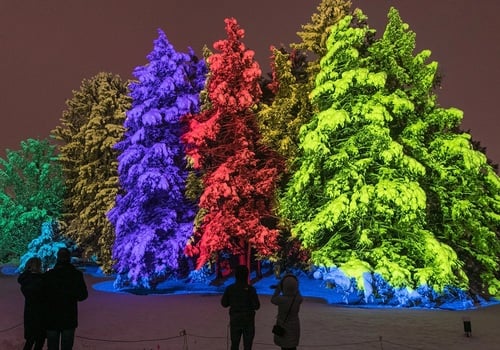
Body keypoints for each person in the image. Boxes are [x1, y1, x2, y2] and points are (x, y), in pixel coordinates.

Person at [42, 248, 88, 350]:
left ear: (57, 258)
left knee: (52, 346)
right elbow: (83, 296)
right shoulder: (76, 275)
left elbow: (41, 295)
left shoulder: (49, 275)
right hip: (69, 317)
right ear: (69, 258)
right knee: (67, 346)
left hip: (51, 317)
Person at [221, 265, 260, 350]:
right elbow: (257, 306)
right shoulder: (251, 289)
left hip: (235, 320)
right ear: (247, 275)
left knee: (234, 344)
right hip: (248, 321)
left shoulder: (230, 289)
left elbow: (224, 303)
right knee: (248, 346)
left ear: (236, 275)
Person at [18, 256, 46, 350]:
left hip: (29, 313)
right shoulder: (42, 280)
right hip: (41, 314)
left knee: (30, 340)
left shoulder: (25, 280)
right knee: (39, 341)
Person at [271, 273, 303, 350]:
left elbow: (273, 299)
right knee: (292, 347)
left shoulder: (281, 299)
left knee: (284, 346)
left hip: (283, 326)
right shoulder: (297, 299)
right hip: (294, 327)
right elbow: (298, 293)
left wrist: (278, 288)